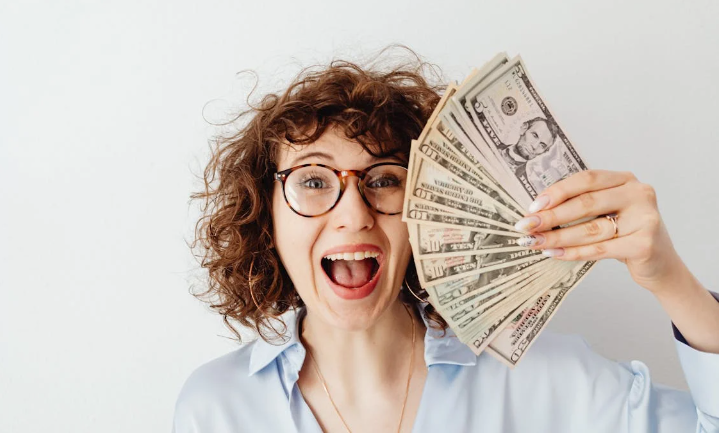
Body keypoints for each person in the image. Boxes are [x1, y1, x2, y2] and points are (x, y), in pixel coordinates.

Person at [173, 47, 719, 432]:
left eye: (384, 180)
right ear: (266, 219)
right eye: (313, 181)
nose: (353, 214)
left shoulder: (543, 379)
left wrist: (669, 277)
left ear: (427, 210)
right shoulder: (215, 407)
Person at [496, 116, 560, 182]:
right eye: (535, 135)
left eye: (542, 145)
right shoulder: (494, 144)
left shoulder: (525, 182)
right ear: (523, 129)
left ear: (544, 152)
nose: (534, 146)